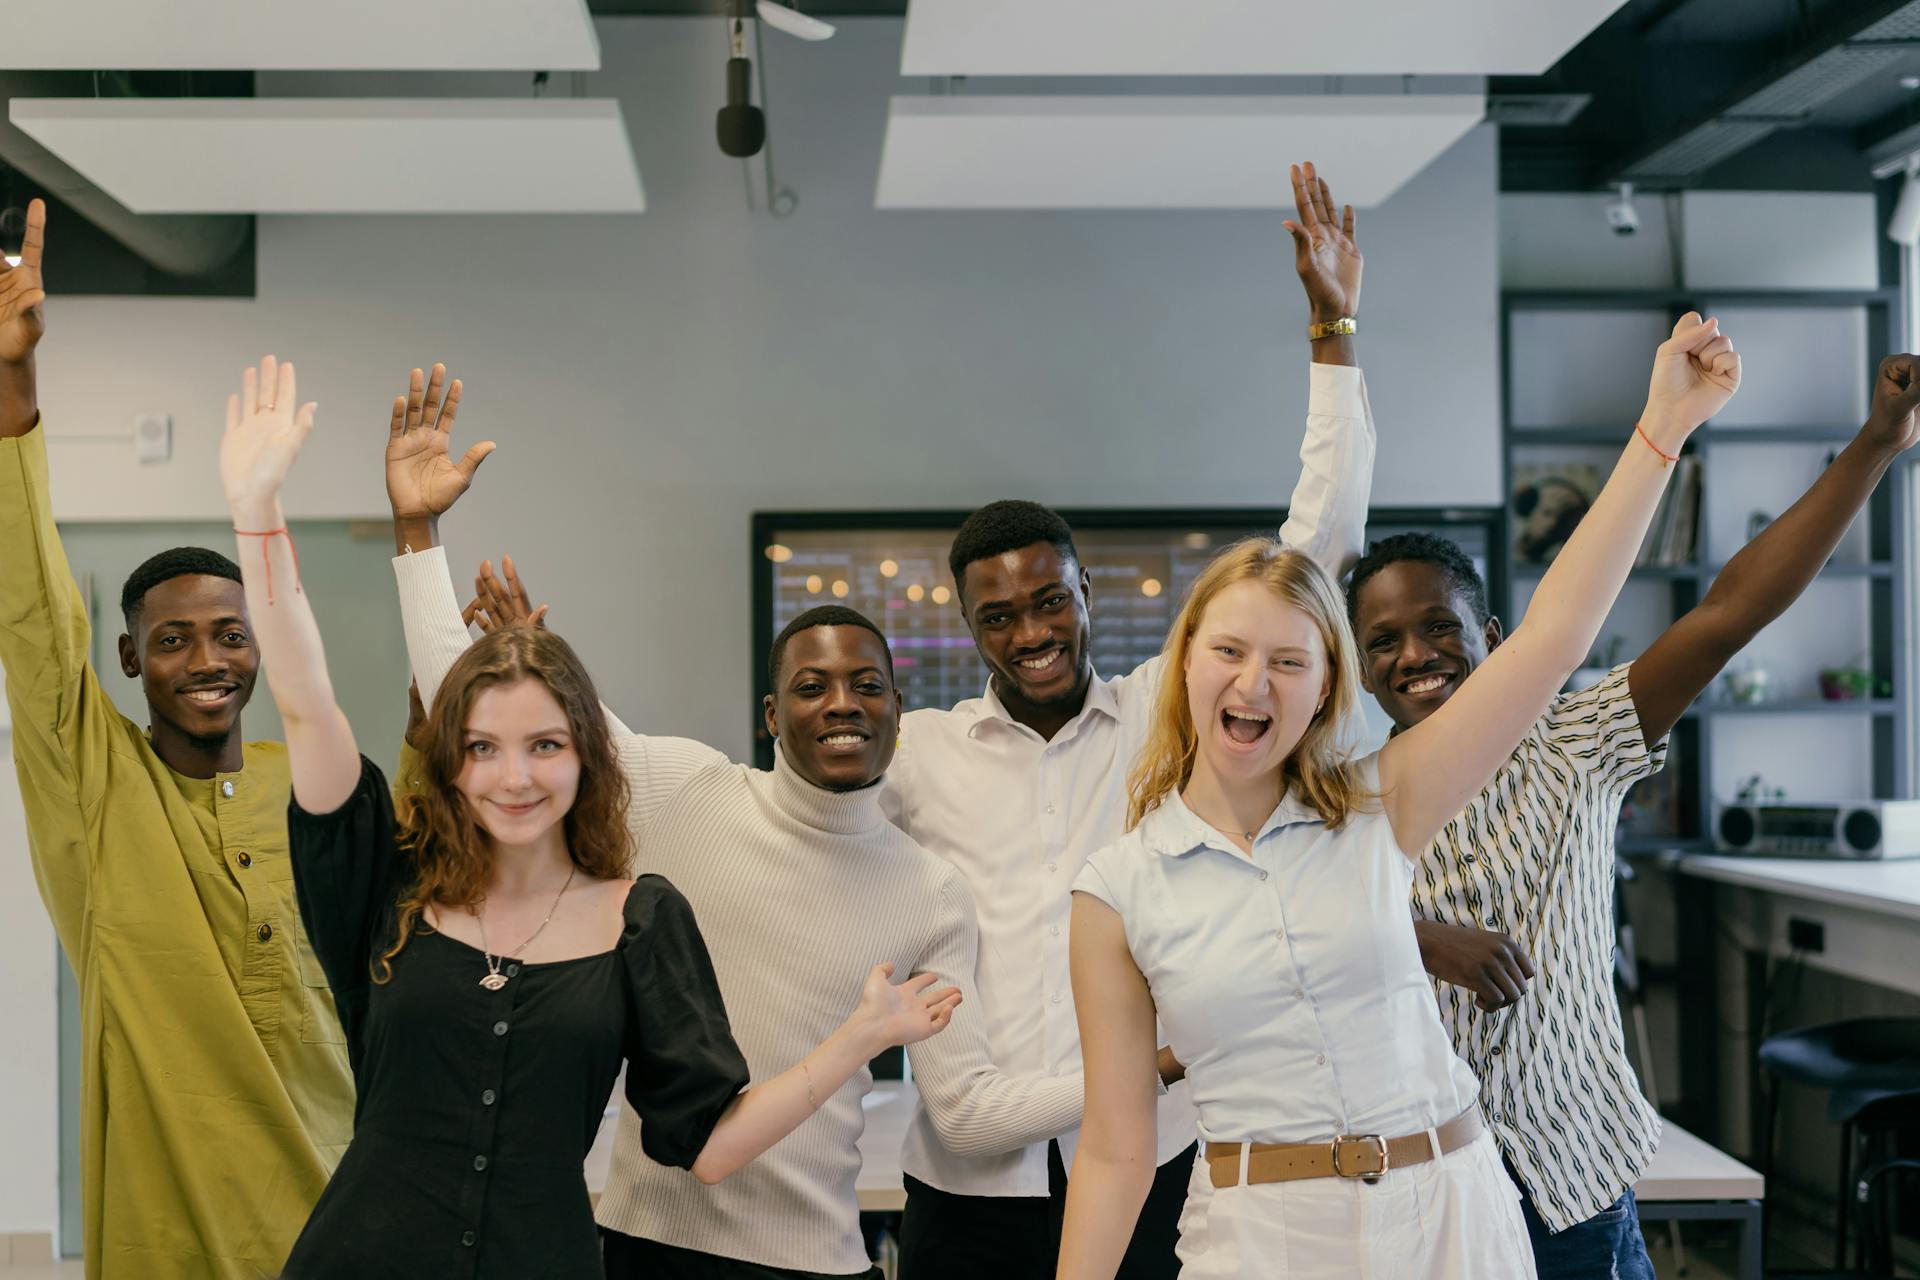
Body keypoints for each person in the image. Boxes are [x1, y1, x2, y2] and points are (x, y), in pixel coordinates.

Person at [214, 355, 961, 1279]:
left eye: (545, 747)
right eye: (483, 748)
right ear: (453, 756)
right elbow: (305, 703)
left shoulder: (640, 919)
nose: (513, 776)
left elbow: (714, 1142)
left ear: (586, 757)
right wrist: (263, 516)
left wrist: (861, 1034)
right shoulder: (391, 885)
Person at [1057, 313, 1741, 1279]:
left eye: (1289, 661)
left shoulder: (1382, 804)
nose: (1255, 684)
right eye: (1230, 653)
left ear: (1325, 688)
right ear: (1184, 669)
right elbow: (1117, 1151)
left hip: (1455, 1219)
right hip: (1262, 1240)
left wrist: (1662, 428)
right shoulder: (1116, 890)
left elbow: (1551, 639)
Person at [383, 379, 1095, 1279]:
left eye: (867, 685)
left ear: (897, 709)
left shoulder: (930, 891)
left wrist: (1152, 1067)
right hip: (654, 1248)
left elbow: (967, 1117)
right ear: (771, 713)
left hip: (824, 1260)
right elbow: (476, 717)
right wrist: (418, 537)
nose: (842, 702)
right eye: (812, 686)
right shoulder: (689, 791)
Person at [879, 160, 1373, 1280]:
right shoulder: (920, 756)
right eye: (999, 614)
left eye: (1049, 600)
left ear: (1086, 594)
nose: (1031, 630)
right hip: (970, 1187)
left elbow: (1316, 545)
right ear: (969, 627)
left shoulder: (1168, 711)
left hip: (1160, 1165)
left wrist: (1333, 330)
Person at [1347, 352, 1920, 1276]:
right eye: (1385, 641)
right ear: (1364, 669)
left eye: (1440, 625)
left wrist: (1876, 445)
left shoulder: (1573, 738)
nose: (1417, 653)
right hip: (1423, 1193)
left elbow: (1728, 613)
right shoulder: (1348, 792)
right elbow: (1287, 930)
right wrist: (1416, 935)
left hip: (1570, 1177)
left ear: (1494, 638)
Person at [0, 201, 354, 1279]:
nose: (206, 659)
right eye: (171, 639)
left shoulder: (321, 795)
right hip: (170, 1246)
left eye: (229, 635)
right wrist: (14, 388)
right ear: (128, 658)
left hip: (345, 1224)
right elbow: (34, 617)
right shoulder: (99, 790)